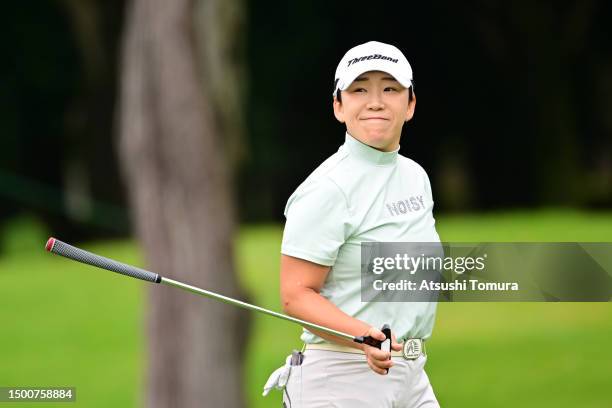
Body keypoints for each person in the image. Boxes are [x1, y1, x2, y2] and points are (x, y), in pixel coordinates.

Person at [269, 41, 441, 407]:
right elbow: (295, 294)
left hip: (411, 372)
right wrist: (362, 335)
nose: (375, 101)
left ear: (410, 104)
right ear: (338, 106)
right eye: (360, 89)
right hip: (342, 377)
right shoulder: (327, 189)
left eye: (390, 89)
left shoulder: (416, 177)